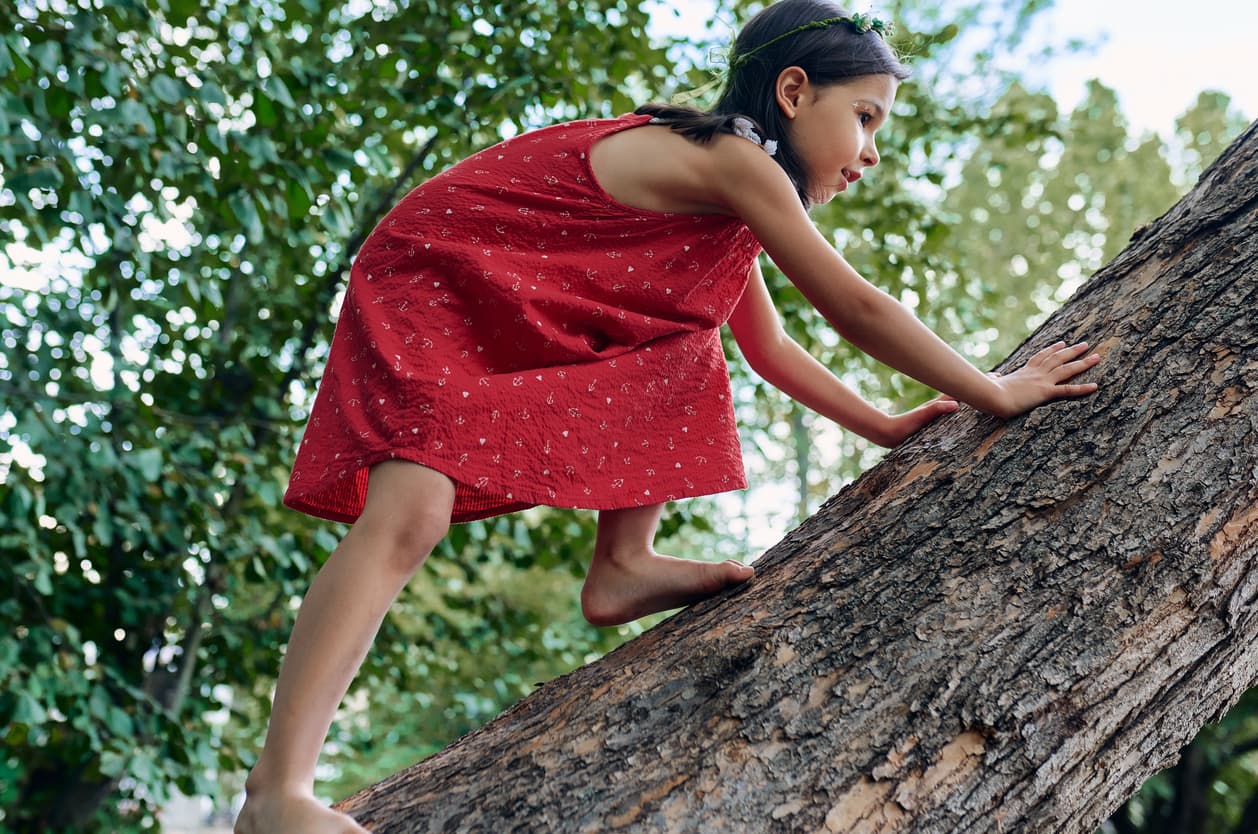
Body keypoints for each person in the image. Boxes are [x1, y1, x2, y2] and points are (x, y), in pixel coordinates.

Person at [235, 1, 1102, 831]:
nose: (872, 151)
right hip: (436, 273)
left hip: (505, 290)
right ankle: (276, 792)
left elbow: (768, 352)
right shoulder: (736, 162)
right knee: (410, 513)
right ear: (793, 94)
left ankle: (623, 564)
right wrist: (996, 388)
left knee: (685, 331)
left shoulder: (729, 206)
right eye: (866, 118)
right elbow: (853, 306)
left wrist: (878, 424)